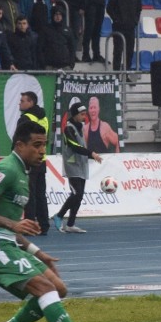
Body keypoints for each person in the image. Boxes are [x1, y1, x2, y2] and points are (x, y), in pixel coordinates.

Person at [0, 120, 105, 322]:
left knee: (58, 288)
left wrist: (37, 252)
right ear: (20, 145)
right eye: (36, 145)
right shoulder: (8, 169)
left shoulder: (23, 171)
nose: (42, 151)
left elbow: (12, 226)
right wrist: (13, 226)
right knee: (45, 288)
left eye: (44, 145)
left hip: (7, 243)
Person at [52, 100, 103, 234]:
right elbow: (75, 146)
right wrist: (91, 154)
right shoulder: (68, 128)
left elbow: (81, 146)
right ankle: (59, 215)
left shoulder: (79, 127)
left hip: (81, 165)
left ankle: (70, 224)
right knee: (77, 193)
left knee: (79, 196)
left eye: (85, 114)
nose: (84, 117)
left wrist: (90, 155)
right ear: (75, 115)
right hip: (72, 165)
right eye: (81, 114)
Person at [16, 91, 49, 235]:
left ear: (31, 103)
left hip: (29, 160)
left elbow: (19, 139)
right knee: (41, 194)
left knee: (29, 194)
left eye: (23, 101)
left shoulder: (26, 118)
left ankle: (29, 226)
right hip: (42, 159)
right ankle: (44, 225)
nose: (20, 103)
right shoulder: (44, 118)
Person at [106, 0, 142, 73]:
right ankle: (116, 73)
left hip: (130, 27)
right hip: (118, 27)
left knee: (129, 51)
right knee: (118, 50)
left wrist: (135, 21)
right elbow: (109, 9)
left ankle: (127, 72)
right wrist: (116, 20)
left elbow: (138, 9)